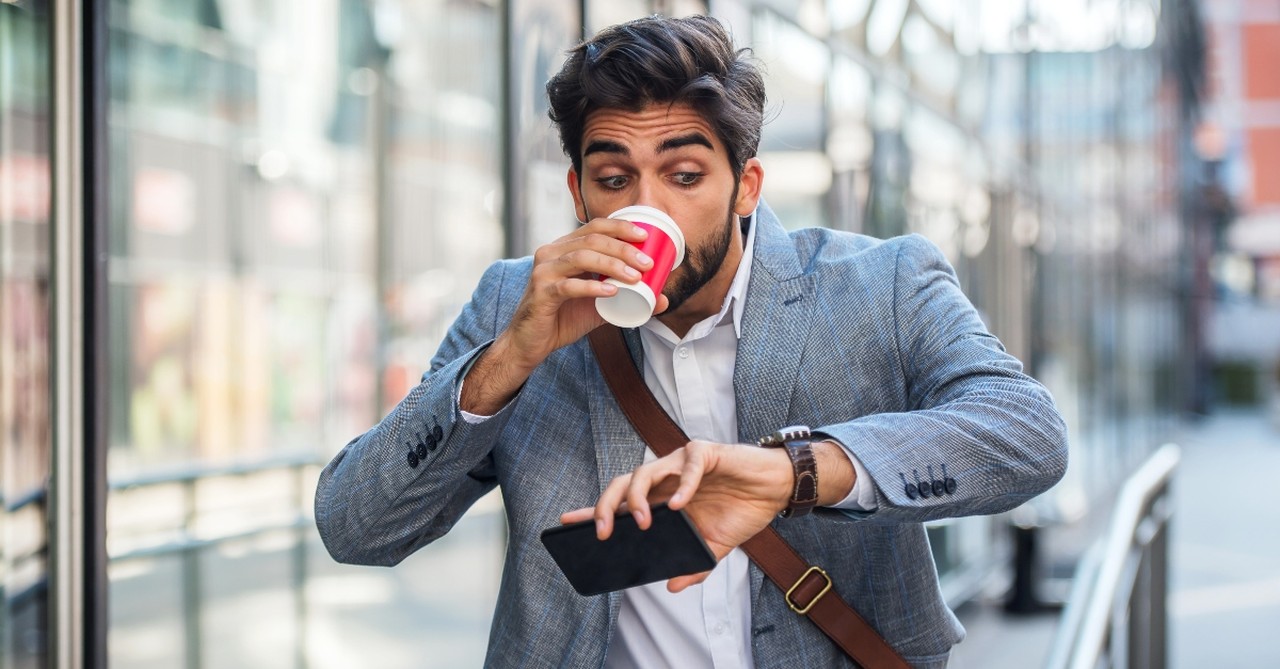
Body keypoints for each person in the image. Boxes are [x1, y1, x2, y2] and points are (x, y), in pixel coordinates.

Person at [315, 14, 1068, 669]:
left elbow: (1027, 433)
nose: (647, 205)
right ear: (579, 194)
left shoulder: (879, 283)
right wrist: (508, 361)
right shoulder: (520, 304)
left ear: (745, 185)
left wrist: (797, 472)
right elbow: (356, 526)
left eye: (683, 173)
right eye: (614, 178)